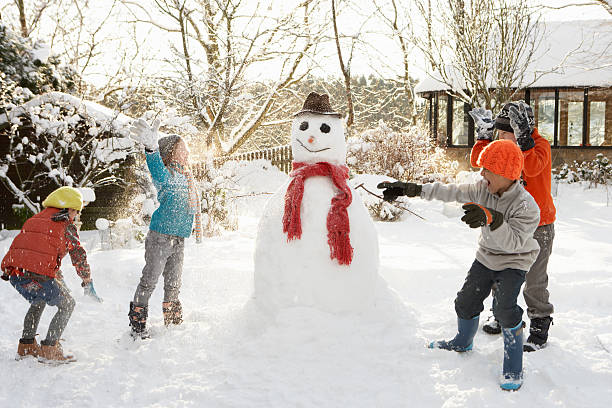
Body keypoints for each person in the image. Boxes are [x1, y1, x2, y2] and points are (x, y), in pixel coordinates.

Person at [378, 139, 540, 391]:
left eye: (487, 169)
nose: (482, 173)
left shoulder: (526, 206)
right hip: (486, 257)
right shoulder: (481, 189)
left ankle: (514, 363)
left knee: (505, 309)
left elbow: (515, 242)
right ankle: (463, 341)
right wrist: (411, 189)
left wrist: (491, 218)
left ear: (506, 174)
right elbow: (449, 191)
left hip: (514, 261)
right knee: (465, 301)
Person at [469, 101, 556, 352]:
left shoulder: (539, 146)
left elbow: (532, 166)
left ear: (523, 129)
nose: (503, 138)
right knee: (500, 269)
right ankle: (500, 312)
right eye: (499, 133)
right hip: (506, 224)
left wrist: (525, 140)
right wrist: (484, 138)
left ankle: (540, 321)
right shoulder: (503, 148)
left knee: (535, 278)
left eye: (507, 132)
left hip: (539, 226)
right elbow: (479, 161)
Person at [1, 186, 102, 363]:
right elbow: (78, 253)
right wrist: (86, 278)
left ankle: (26, 346)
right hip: (37, 274)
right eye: (76, 212)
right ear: (69, 209)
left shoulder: (35, 219)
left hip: (16, 275)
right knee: (68, 304)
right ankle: (50, 348)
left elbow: (36, 251)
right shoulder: (65, 224)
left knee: (38, 300)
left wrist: (54, 273)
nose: (76, 216)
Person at [128, 119, 202, 339]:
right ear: (171, 152)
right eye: (183, 149)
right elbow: (155, 167)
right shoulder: (166, 174)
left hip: (179, 238)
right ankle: (138, 324)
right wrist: (151, 149)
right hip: (160, 237)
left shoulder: (187, 177)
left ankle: (172, 321)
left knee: (174, 282)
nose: (187, 152)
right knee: (150, 279)